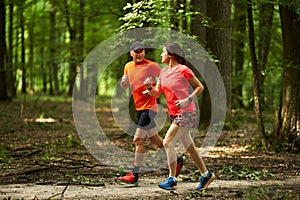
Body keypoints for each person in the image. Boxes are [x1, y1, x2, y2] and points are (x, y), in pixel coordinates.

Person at [144, 42, 215, 191]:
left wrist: (187, 99)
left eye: (163, 52)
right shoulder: (163, 73)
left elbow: (200, 87)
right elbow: (157, 93)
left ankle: (172, 179)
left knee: (167, 143)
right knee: (190, 147)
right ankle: (206, 174)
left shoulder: (183, 70)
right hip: (174, 114)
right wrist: (149, 88)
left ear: (171, 54)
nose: (161, 55)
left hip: (187, 112)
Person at [118, 41, 185, 185]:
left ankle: (135, 175)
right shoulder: (128, 66)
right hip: (139, 108)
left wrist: (152, 90)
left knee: (138, 139)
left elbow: (165, 76)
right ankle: (176, 159)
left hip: (150, 107)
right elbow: (125, 84)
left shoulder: (151, 65)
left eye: (141, 51)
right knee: (155, 139)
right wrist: (123, 82)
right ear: (131, 53)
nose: (139, 54)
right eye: (136, 51)